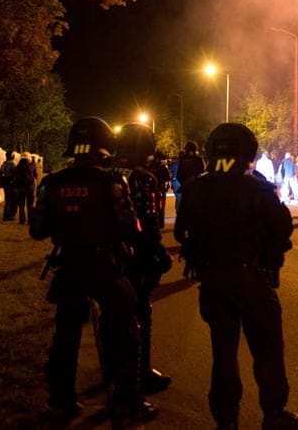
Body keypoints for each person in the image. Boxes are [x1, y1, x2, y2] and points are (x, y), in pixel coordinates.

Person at [174, 123, 298, 430]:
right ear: (247, 152)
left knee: (223, 354)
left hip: (213, 281)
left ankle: (226, 420)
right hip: (252, 280)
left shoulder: (195, 188)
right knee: (267, 350)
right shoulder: (258, 188)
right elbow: (282, 229)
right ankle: (274, 414)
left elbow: (182, 233)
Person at [29, 117, 157, 423]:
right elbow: (131, 227)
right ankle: (127, 401)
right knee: (127, 332)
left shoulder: (52, 183)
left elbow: (37, 229)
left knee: (66, 336)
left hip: (69, 266)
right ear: (104, 146)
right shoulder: (112, 182)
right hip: (106, 268)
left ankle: (61, 400)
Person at [114, 123, 174, 394]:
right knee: (141, 316)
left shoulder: (106, 173)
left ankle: (114, 371)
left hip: (108, 257)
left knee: (112, 317)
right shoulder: (142, 178)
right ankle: (140, 375)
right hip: (135, 257)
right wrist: (160, 255)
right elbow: (148, 225)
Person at [175, 141, 205, 212]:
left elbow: (179, 174)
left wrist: (184, 183)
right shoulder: (199, 159)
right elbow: (202, 173)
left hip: (185, 188)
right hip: (196, 189)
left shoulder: (182, 159)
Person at [146, 150, 171, 228]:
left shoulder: (150, 167)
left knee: (154, 206)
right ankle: (160, 223)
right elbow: (167, 179)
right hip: (159, 189)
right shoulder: (163, 167)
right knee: (160, 206)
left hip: (156, 189)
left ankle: (156, 222)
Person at [15, 151, 38, 224]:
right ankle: (30, 220)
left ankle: (22, 220)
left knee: (21, 205)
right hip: (30, 188)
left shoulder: (18, 166)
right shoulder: (32, 166)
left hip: (20, 188)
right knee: (30, 205)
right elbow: (35, 175)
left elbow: (15, 175)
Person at [0, 150, 17, 221]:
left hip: (5, 184)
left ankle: (6, 215)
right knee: (13, 200)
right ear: (12, 156)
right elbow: (15, 175)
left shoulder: (3, 164)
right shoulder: (13, 165)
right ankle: (9, 215)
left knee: (7, 199)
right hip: (11, 184)